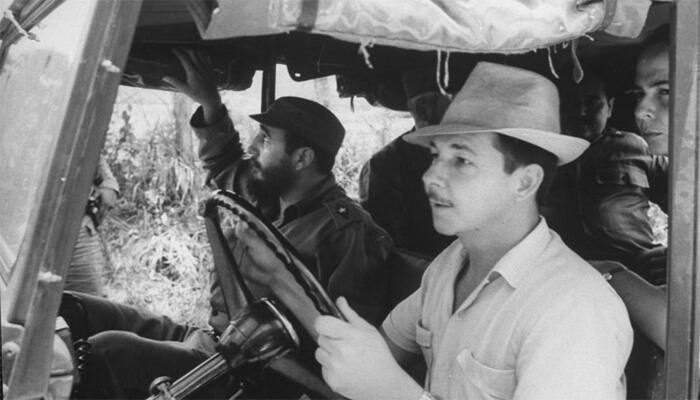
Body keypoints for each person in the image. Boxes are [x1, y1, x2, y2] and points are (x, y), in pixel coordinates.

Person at [237, 62, 634, 400]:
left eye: (460, 160)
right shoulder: (449, 266)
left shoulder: (573, 310)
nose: (430, 176)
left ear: (525, 183)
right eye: (435, 155)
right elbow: (368, 359)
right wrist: (281, 279)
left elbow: (381, 378)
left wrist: (395, 392)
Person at [63, 49, 393, 399]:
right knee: (73, 309)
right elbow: (226, 165)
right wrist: (210, 103)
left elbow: (346, 346)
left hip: (248, 370)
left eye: (265, 138)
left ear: (303, 157)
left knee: (110, 351)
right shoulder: (271, 196)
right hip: (212, 338)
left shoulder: (348, 234)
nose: (253, 145)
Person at [543, 64, 667, 284]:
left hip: (638, 276)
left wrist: (674, 255)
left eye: (592, 102)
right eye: (571, 102)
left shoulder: (635, 146)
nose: (581, 111)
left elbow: (687, 199)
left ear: (609, 108)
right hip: (563, 279)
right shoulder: (539, 156)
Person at [359, 69, 453, 257]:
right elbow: (384, 243)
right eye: (421, 102)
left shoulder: (475, 154)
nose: (427, 110)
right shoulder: (384, 164)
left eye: (435, 101)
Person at [65, 155, 119, 295]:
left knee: (88, 306)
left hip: (76, 233)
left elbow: (108, 187)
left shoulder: (73, 136)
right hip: (21, 236)